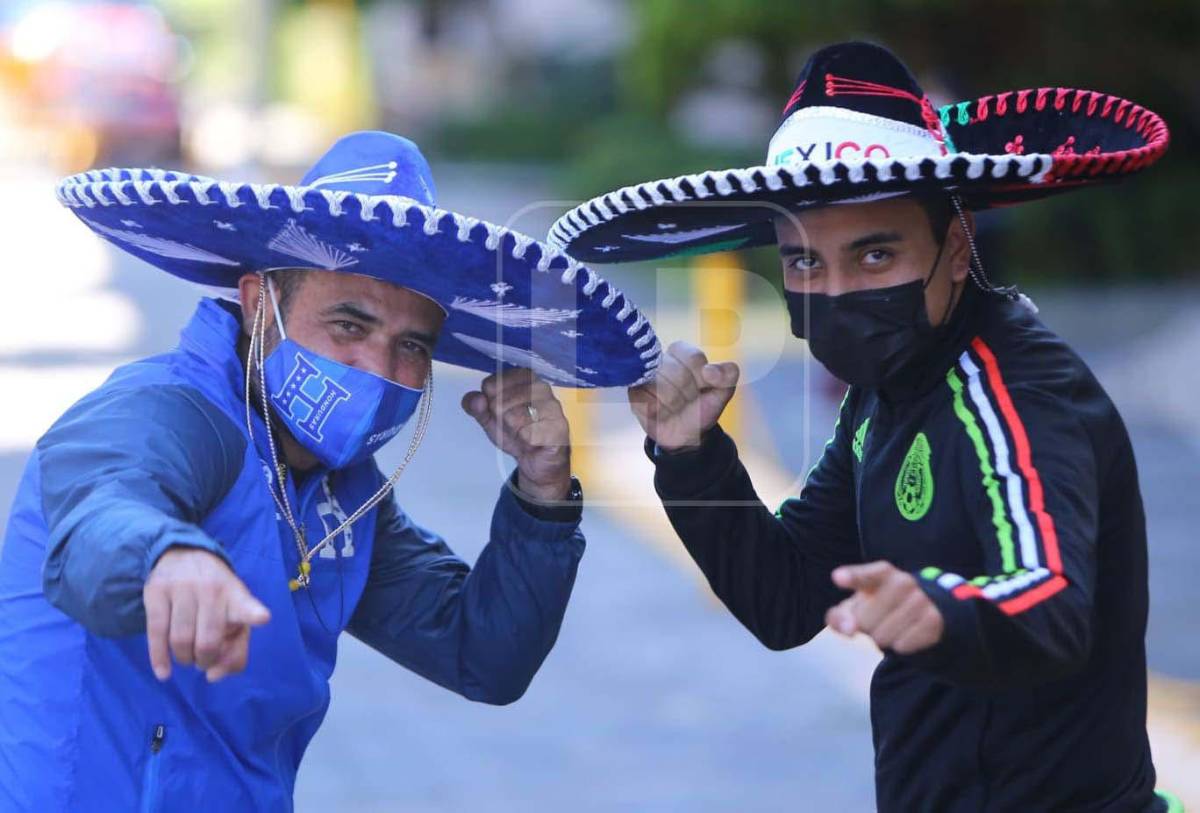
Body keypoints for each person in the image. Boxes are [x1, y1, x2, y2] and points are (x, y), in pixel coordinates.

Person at [550, 41, 1181, 813]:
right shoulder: (885, 393)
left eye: (875, 255)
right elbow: (787, 598)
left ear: (956, 249)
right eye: (804, 264)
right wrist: (690, 454)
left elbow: (1052, 603)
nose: (837, 293)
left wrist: (945, 608)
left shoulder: (1017, 393)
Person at [0, 131, 660, 811]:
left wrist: (542, 492)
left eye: (411, 345)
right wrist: (167, 555)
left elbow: (484, 656)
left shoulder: (344, 495)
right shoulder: (162, 410)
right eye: (349, 324)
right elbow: (99, 512)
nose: (379, 367)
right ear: (259, 303)